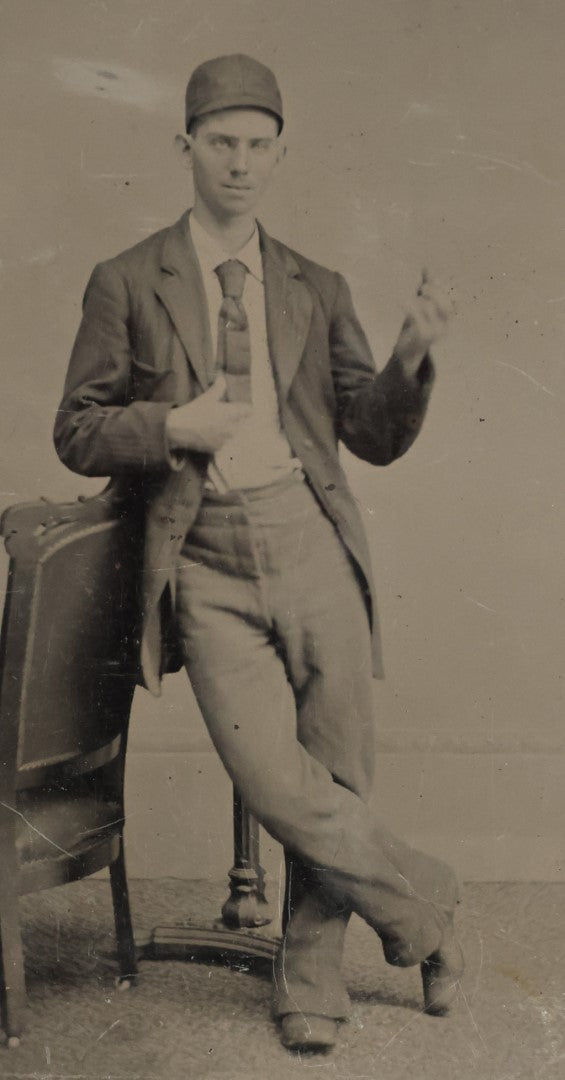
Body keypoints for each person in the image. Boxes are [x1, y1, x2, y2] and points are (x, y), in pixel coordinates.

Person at [54, 54, 464, 1054]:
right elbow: (76, 429)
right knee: (277, 778)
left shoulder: (314, 287)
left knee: (336, 768)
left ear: (277, 154)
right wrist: (170, 426)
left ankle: (310, 980)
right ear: (185, 146)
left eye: (257, 144)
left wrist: (412, 357)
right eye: (220, 142)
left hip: (308, 538)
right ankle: (431, 907)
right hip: (201, 558)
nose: (239, 162)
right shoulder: (126, 279)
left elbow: (369, 433)